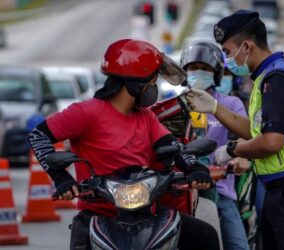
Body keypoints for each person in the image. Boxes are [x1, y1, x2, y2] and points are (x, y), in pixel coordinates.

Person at [28, 39, 219, 250]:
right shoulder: (85, 112)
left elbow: (174, 148)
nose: (153, 86)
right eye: (153, 81)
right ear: (137, 81)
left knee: (206, 235)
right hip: (98, 213)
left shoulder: (145, 116)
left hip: (147, 212)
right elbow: (38, 136)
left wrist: (195, 167)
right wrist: (61, 178)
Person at [185, 10, 284, 250]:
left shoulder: (277, 78)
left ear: (247, 46)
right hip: (283, 192)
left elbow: (271, 141)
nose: (228, 59)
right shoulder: (266, 78)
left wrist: (232, 149)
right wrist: (214, 107)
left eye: (229, 52)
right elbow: (255, 131)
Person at [180, 40, 250, 250]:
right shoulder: (174, 106)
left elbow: (245, 136)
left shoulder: (229, 105)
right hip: (181, 192)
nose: (199, 73)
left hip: (219, 191)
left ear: (216, 74)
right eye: (194, 68)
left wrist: (240, 156)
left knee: (238, 246)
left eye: (205, 69)